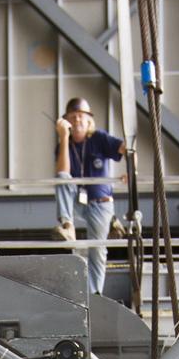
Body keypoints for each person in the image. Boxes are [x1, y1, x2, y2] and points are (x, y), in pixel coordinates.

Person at [54, 96, 126, 296]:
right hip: (75, 201)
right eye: (72, 117)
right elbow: (62, 172)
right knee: (62, 178)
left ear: (89, 120)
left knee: (97, 251)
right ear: (66, 121)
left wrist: (131, 170)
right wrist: (64, 138)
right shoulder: (64, 144)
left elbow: (127, 149)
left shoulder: (99, 138)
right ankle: (67, 225)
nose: (77, 120)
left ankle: (94, 295)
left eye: (81, 116)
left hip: (99, 203)